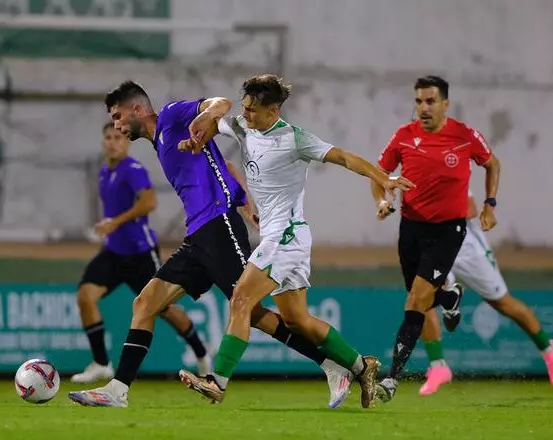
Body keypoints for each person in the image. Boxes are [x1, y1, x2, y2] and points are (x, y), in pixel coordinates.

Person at [68, 81, 356, 408]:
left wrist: (209, 115)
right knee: (145, 304)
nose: (117, 126)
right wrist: (248, 206)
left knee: (253, 312)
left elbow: (220, 103)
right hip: (197, 235)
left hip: (219, 225)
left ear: (137, 109)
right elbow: (226, 166)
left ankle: (332, 366)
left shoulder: (173, 117)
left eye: (118, 116)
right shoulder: (162, 141)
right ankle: (118, 390)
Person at [177, 74, 414, 408]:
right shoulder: (245, 127)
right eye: (244, 108)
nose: (246, 115)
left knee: (241, 298)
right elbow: (216, 124)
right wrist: (197, 137)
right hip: (281, 236)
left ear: (273, 111)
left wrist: (382, 177)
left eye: (253, 110)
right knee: (296, 320)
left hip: (287, 236)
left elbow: (344, 157)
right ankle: (363, 366)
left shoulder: (294, 138)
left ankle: (217, 382)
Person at [371, 75, 500, 403]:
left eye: (430, 101)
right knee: (419, 297)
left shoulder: (464, 135)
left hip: (448, 230)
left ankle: (392, 377)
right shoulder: (404, 136)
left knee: (414, 302)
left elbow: (492, 164)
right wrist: (383, 201)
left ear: (445, 103)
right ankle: (449, 298)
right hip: (411, 229)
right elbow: (379, 174)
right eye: (418, 101)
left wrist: (489, 204)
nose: (423, 108)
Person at [71, 121, 210, 384]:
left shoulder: (132, 170)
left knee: (164, 309)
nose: (113, 142)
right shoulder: (104, 172)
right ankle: (101, 363)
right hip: (113, 252)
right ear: (103, 141)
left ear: (126, 142)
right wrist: (109, 228)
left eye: (118, 137)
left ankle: (202, 354)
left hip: (140, 252)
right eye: (109, 137)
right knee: (86, 296)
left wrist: (115, 222)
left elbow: (149, 202)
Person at [418, 190, 553, 395]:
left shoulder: (449, 162)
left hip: (466, 247)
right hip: (435, 247)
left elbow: (469, 208)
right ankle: (438, 365)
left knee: (503, 303)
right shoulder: (412, 170)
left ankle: (549, 351)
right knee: (422, 297)